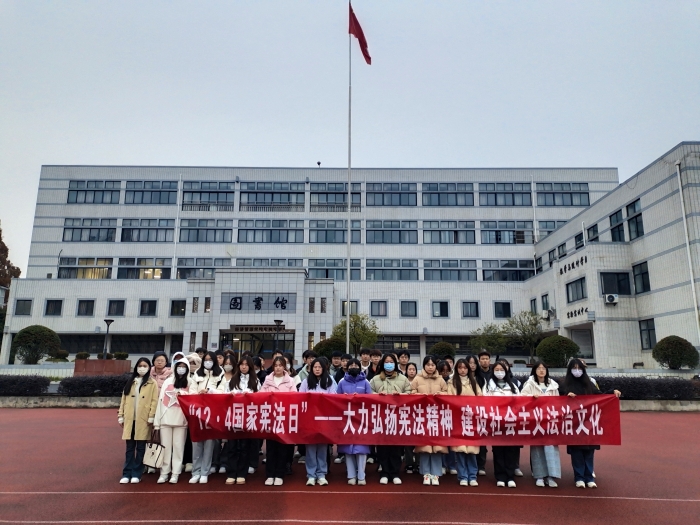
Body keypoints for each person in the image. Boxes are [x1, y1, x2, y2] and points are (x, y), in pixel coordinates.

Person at [560, 358, 621, 489]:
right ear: (570, 370)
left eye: (579, 368)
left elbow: (600, 396)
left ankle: (589, 477)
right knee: (577, 452)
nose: (577, 371)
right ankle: (579, 477)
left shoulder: (588, 384)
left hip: (589, 423)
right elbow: (557, 402)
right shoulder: (564, 385)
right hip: (574, 424)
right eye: (574, 368)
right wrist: (566, 396)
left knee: (589, 451)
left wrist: (612, 392)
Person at [370, 354, 411, 485]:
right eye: (387, 362)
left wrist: (401, 395)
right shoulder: (375, 379)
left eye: (391, 362)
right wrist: (378, 395)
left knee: (396, 447)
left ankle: (395, 473)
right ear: (383, 364)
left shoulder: (403, 379)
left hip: (397, 418)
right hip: (381, 418)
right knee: (382, 447)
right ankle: (384, 472)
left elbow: (410, 394)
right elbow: (368, 394)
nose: (389, 364)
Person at [520, 360, 561, 488]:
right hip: (536, 420)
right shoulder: (529, 384)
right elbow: (521, 398)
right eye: (539, 368)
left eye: (543, 368)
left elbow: (558, 402)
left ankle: (551, 476)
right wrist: (532, 397)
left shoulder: (553, 385)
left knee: (551, 448)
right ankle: (539, 476)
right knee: (537, 448)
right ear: (534, 371)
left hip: (550, 421)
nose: (541, 370)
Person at [118, 358, 158, 484]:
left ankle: (137, 473)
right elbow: (123, 400)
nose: (142, 368)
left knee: (141, 448)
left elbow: (154, 401)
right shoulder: (131, 381)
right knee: (129, 448)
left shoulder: (152, 383)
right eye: (140, 365)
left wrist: (151, 416)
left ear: (149, 368)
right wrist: (121, 415)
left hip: (143, 420)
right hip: (130, 419)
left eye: (145, 366)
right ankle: (126, 473)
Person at [188, 351, 226, 484]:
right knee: (196, 443)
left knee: (209, 444)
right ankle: (196, 471)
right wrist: (198, 393)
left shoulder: (220, 374)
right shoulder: (197, 373)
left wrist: (210, 391)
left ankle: (205, 471)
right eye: (206, 359)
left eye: (210, 360)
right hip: (197, 412)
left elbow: (222, 392)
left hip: (212, 413)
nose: (208, 362)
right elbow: (191, 390)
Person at [299, 357, 337, 485]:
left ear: (324, 368)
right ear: (311, 368)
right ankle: (311, 475)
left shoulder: (330, 381)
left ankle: (321, 474)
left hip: (324, 419)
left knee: (322, 448)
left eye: (319, 367)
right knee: (310, 448)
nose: (317, 369)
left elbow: (334, 398)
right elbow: (300, 398)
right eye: (315, 367)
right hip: (309, 420)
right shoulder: (305, 382)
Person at [411, 355, 448, 486]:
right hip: (422, 416)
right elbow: (411, 393)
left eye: (432, 365)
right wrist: (419, 396)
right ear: (424, 366)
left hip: (437, 416)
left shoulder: (441, 379)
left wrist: (441, 395)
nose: (430, 367)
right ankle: (426, 473)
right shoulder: (417, 378)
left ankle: (436, 473)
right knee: (425, 446)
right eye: (428, 365)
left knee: (437, 446)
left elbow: (448, 393)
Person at [154, 357, 193, 484]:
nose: (181, 369)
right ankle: (164, 473)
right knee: (165, 448)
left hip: (181, 421)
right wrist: (157, 422)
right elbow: (160, 401)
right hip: (165, 419)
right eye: (179, 366)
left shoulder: (190, 382)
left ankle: (175, 473)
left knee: (178, 448)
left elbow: (194, 398)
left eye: (184, 367)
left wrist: (183, 394)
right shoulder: (168, 381)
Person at [224, 355, 261, 485]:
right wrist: (230, 395)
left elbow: (260, 398)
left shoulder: (255, 381)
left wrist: (250, 396)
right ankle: (231, 473)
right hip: (233, 417)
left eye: (246, 365)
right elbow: (224, 395)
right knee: (232, 446)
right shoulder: (232, 381)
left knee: (245, 447)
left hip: (247, 418)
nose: (244, 367)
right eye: (242, 364)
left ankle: (241, 473)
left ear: (250, 367)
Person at [484, 360, 521, 488]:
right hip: (496, 422)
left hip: (510, 422)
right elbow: (485, 403)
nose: (499, 372)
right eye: (497, 370)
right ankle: (500, 476)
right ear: (493, 372)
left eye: (502, 370)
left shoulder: (513, 386)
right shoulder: (488, 386)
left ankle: (510, 476)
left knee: (511, 450)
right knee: (498, 450)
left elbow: (519, 402)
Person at [261, 356, 296, 485]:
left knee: (282, 448)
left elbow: (294, 397)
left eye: (280, 365)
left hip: (283, 418)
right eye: (276, 365)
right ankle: (270, 474)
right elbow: (261, 396)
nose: (278, 368)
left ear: (284, 367)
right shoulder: (267, 380)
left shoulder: (290, 381)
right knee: (270, 448)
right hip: (270, 418)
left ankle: (279, 474)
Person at [336, 358, 372, 484]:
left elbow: (371, 399)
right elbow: (336, 399)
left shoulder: (366, 382)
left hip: (362, 419)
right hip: (347, 419)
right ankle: (351, 475)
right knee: (348, 449)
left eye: (356, 365)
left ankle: (361, 476)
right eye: (351, 365)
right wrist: (344, 398)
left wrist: (360, 398)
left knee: (361, 448)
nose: (353, 367)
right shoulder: (342, 382)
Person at [448, 358, 482, 486]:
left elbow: (480, 398)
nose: (462, 370)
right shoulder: (452, 383)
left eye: (465, 367)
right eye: (460, 367)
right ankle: (462, 476)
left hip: (472, 420)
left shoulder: (474, 382)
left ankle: (472, 476)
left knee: (472, 451)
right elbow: (449, 399)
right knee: (460, 450)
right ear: (456, 369)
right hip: (458, 420)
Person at [182, 353, 202, 473]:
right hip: (181, 411)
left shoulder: (199, 376)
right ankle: (181, 461)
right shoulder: (180, 377)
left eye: (195, 363)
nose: (192, 365)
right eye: (190, 363)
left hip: (196, 411)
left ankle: (190, 461)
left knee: (191, 437)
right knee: (181, 438)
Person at [475, 351, 492, 476]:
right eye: (482, 359)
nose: (485, 361)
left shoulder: (494, 373)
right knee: (480, 438)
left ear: (490, 360)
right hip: (479, 410)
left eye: (487, 358)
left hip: (493, 410)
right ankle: (480, 465)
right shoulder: (476, 374)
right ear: (479, 361)